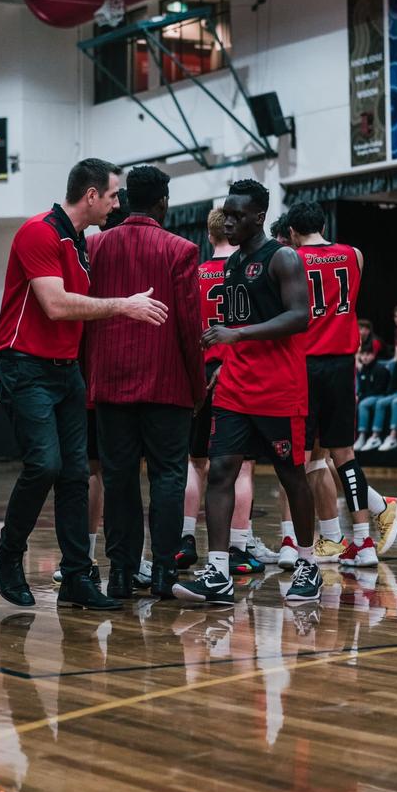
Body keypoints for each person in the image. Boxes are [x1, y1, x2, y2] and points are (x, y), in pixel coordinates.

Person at [0, 158, 167, 612]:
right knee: (45, 465)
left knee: (76, 474)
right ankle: (8, 555)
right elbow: (54, 305)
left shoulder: (83, 242)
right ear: (91, 196)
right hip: (24, 367)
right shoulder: (38, 232)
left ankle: (76, 577)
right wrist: (122, 307)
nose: (117, 203)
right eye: (112, 195)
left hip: (66, 371)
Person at [173, 179, 321, 605]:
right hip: (236, 387)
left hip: (279, 387)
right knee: (219, 470)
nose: (229, 220)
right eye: (226, 213)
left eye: (238, 214)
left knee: (291, 474)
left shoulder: (284, 258)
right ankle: (218, 571)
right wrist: (220, 366)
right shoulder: (234, 263)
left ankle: (308, 564)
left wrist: (236, 336)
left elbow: (298, 317)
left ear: (259, 216)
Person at [86, 165, 205, 600]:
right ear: (162, 203)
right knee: (169, 478)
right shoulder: (181, 249)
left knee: (117, 478)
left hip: (110, 383)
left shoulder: (96, 245)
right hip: (167, 383)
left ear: (125, 199)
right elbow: (191, 327)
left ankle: (119, 573)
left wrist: (89, 379)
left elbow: (85, 316)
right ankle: (163, 575)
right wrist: (198, 387)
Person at [287, 201, 397, 567]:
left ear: (293, 232)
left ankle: (307, 544)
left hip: (305, 365)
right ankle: (363, 542)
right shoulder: (354, 255)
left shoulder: (290, 261)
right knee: (344, 454)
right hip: (342, 365)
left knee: (303, 459)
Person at [178, 207, 267, 576]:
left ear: (208, 235)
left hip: (200, 371)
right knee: (241, 466)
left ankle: (185, 540)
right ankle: (237, 545)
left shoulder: (195, 274)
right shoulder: (250, 271)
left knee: (195, 462)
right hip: (237, 370)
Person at [354, 345, 391, 450]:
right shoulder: (362, 370)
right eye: (363, 354)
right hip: (367, 396)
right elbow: (361, 388)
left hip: (381, 396)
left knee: (363, 404)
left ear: (373, 355)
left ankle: (366, 436)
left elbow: (379, 389)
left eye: (367, 355)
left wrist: (361, 397)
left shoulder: (380, 369)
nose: (365, 357)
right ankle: (355, 437)